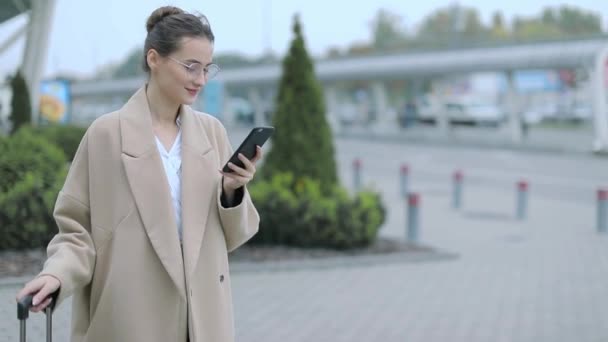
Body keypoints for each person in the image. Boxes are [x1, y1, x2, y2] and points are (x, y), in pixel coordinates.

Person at [16, 6, 261, 342]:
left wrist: (232, 192)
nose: (200, 80)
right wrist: (56, 275)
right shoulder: (106, 135)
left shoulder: (212, 133)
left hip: (203, 321)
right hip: (130, 317)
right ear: (154, 59)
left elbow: (233, 238)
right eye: (191, 66)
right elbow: (77, 231)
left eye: (207, 69)